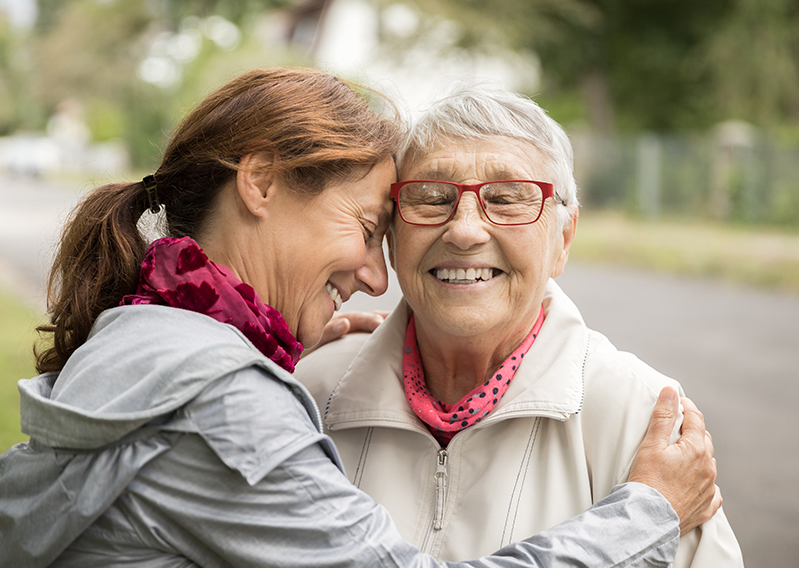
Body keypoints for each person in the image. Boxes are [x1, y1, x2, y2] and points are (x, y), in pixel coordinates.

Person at [0, 68, 719, 568]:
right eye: (371, 225)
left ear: (564, 235)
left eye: (509, 197)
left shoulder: (147, 340)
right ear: (259, 183)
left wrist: (265, 364)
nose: (375, 274)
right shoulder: (229, 399)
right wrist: (647, 514)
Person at [297, 83, 743, 566]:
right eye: (430, 197)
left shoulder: (640, 416)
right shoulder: (309, 390)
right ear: (391, 235)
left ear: (563, 239)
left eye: (509, 198)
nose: (464, 230)